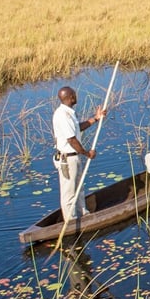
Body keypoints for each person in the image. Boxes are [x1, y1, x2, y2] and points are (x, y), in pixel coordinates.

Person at [53, 86, 108, 221]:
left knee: (79, 188)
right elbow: (71, 140)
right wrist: (87, 153)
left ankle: (83, 213)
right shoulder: (62, 115)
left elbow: (77, 128)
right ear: (71, 97)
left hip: (74, 157)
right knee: (69, 192)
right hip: (68, 159)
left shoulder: (69, 112)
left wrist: (95, 118)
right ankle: (70, 221)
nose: (76, 96)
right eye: (74, 94)